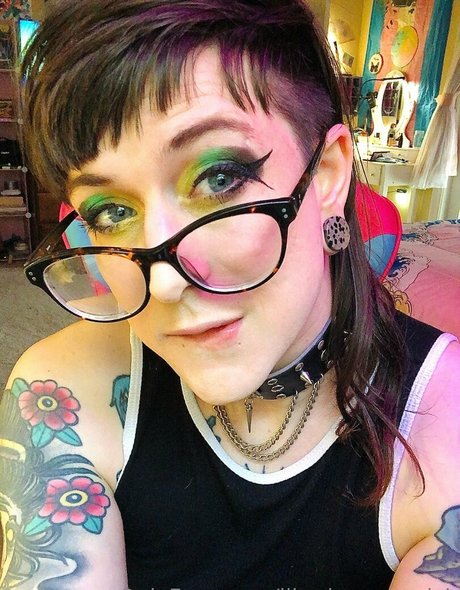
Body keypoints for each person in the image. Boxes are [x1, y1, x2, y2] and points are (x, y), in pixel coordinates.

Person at [1, 1, 459, 588]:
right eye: (111, 211)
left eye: (220, 178)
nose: (163, 283)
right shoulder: (62, 394)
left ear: (327, 175)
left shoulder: (446, 434)